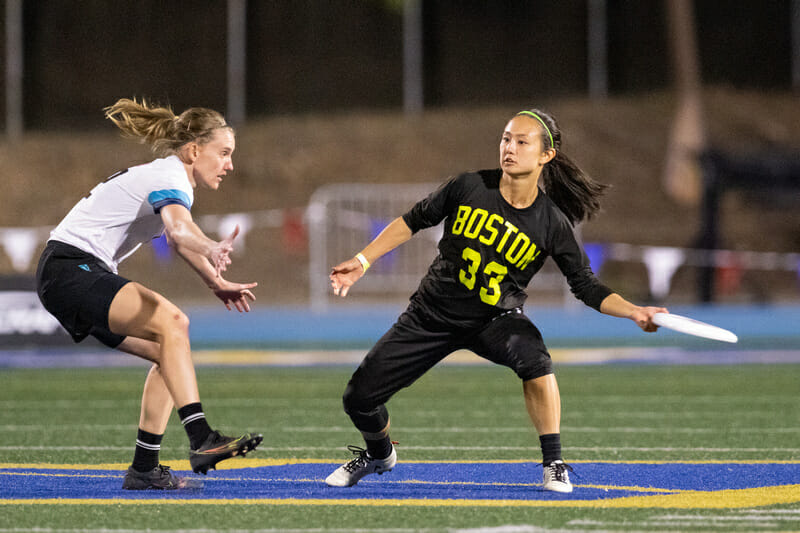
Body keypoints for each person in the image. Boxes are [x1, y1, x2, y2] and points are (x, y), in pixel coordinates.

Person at [325, 109, 668, 493]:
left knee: (536, 360)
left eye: (523, 142)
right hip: (432, 313)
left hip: (495, 318)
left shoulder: (552, 222)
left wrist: (636, 312)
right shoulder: (469, 186)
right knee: (358, 399)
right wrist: (362, 260)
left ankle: (554, 462)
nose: (510, 148)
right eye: (506, 138)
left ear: (545, 156)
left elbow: (585, 285)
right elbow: (412, 220)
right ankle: (379, 453)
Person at [35, 98, 263, 490]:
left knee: (167, 351)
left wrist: (215, 282)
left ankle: (144, 468)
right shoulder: (171, 178)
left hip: (67, 272)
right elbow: (179, 233)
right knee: (174, 321)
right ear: (194, 150)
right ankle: (202, 438)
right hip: (71, 269)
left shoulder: (168, 177)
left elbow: (176, 241)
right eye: (223, 153)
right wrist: (210, 246)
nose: (230, 164)